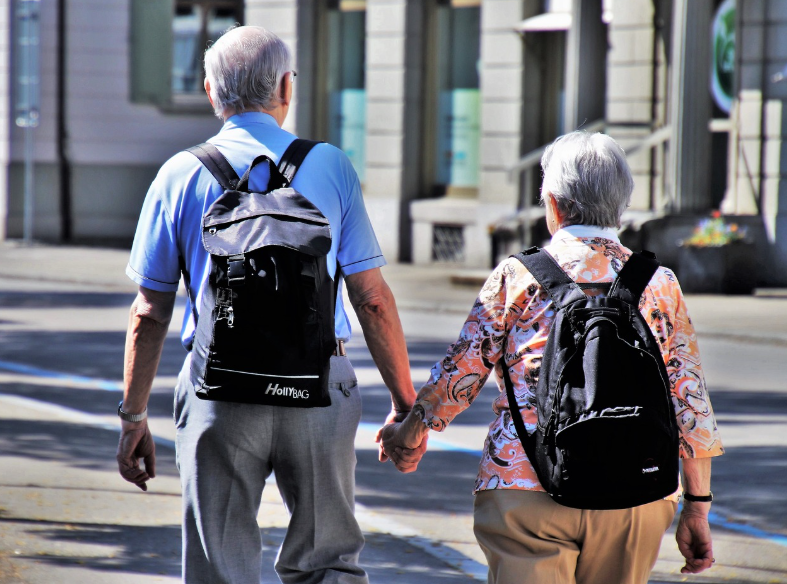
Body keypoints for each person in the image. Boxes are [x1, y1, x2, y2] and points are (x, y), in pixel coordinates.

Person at [116, 25, 419, 584]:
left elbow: (149, 313)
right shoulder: (330, 166)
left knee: (219, 566)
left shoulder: (178, 174)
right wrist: (406, 405)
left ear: (211, 91)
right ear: (286, 87)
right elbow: (371, 298)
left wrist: (134, 417)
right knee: (328, 561)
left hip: (219, 393)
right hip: (319, 387)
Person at [378, 131, 724, 584]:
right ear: (621, 204)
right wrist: (696, 507)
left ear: (554, 205)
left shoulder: (517, 276)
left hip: (525, 486)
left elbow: (460, 375)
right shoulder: (660, 283)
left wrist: (410, 431)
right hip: (635, 493)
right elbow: (689, 401)